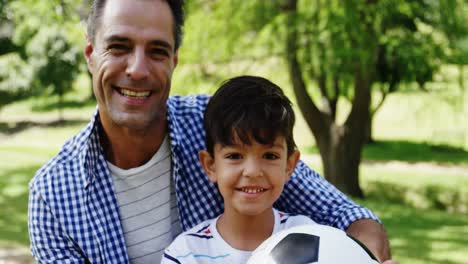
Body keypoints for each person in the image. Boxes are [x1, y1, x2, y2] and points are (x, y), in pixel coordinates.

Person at [28, 0, 394, 263]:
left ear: (174, 60)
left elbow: (351, 219)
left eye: (157, 51)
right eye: (119, 47)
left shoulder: (223, 126)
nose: (137, 69)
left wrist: (359, 257)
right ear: (90, 54)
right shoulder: (52, 197)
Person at [162, 75, 316, 263]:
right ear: (210, 165)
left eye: (270, 156)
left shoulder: (308, 236)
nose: (252, 171)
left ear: (289, 165)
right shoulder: (186, 254)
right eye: (234, 156)